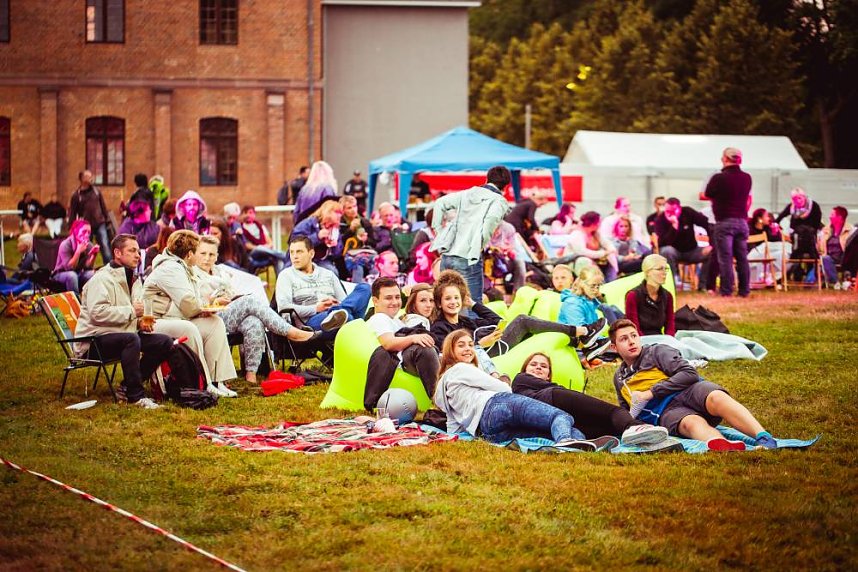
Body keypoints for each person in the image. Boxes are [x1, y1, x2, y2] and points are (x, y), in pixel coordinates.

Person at [609, 319, 778, 450]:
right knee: (691, 423)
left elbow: (689, 374)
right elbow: (626, 411)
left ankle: (763, 437)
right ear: (614, 347)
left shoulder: (657, 351)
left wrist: (651, 392)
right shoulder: (619, 378)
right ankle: (725, 445)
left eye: (634, 335)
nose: (631, 342)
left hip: (689, 390)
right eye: (624, 339)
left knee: (717, 397)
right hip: (666, 412)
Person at [434, 329, 605, 449]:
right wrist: (500, 379)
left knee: (545, 432)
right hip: (496, 405)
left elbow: (453, 428)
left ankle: (580, 442)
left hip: (486, 431)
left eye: (471, 345)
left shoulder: (443, 385)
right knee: (560, 415)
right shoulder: (462, 369)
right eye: (461, 345)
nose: (468, 349)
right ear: (450, 350)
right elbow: (503, 388)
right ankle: (566, 441)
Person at [193, 235, 319, 383]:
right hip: (209, 319)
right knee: (249, 301)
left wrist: (231, 298)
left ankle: (251, 373)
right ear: (195, 254)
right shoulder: (193, 274)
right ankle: (292, 332)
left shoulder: (221, 273)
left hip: (229, 312)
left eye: (211, 254)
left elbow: (231, 293)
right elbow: (193, 303)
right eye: (203, 253)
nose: (207, 258)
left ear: (216, 256)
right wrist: (214, 301)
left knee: (253, 321)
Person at [73, 234, 173, 409]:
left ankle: (127, 386)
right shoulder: (101, 279)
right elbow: (98, 314)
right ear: (117, 253)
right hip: (92, 343)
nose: (137, 255)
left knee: (164, 341)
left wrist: (139, 322)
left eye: (138, 251)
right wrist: (132, 312)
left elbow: (130, 314)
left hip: (120, 335)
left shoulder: (133, 279)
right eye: (132, 251)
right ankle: (136, 397)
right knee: (131, 339)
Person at [430, 269, 609, 362]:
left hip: (493, 347)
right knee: (523, 320)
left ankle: (581, 342)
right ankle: (582, 332)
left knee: (534, 333)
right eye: (448, 299)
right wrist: (479, 344)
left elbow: (497, 321)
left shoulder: (465, 320)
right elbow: (445, 354)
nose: (453, 302)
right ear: (439, 303)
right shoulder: (439, 326)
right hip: (484, 355)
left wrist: (474, 304)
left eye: (456, 298)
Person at [143, 230, 238, 398]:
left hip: (174, 318)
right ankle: (202, 382)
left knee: (215, 323)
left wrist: (206, 308)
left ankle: (218, 381)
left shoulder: (183, 266)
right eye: (197, 252)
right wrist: (206, 307)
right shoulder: (171, 268)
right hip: (154, 321)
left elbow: (191, 303)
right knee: (189, 328)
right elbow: (188, 303)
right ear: (189, 254)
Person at [513, 352, 670, 446]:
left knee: (606, 428)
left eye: (543, 366)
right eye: (533, 364)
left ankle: (641, 435)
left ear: (548, 375)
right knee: (613, 411)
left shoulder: (544, 386)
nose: (538, 367)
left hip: (560, 416)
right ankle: (634, 426)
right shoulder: (520, 379)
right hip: (556, 400)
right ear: (525, 369)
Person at [431, 166, 511, 305]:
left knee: (446, 303)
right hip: (468, 256)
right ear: (506, 186)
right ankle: (471, 328)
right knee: (472, 305)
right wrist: (480, 244)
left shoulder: (468, 193)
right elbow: (490, 221)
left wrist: (439, 231)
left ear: (487, 179)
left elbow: (439, 203)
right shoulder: (499, 200)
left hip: (448, 255)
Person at [275, 236, 371, 337]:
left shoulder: (328, 274)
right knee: (349, 319)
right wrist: (316, 308)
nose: (294, 256)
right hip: (311, 322)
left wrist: (337, 304)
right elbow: (283, 307)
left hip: (338, 313)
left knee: (365, 288)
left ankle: (337, 314)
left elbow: (344, 300)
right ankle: (344, 318)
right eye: (292, 252)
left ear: (311, 253)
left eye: (299, 252)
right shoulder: (286, 276)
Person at [366, 277, 440, 402]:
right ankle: (438, 400)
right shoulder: (379, 318)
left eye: (397, 297)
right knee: (425, 350)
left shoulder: (394, 320)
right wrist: (414, 338)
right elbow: (388, 344)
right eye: (388, 298)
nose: (395, 302)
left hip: (408, 359)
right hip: (398, 363)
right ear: (375, 301)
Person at [701, 147, 752, 297]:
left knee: (725, 258)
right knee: (742, 258)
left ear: (724, 158)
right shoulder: (747, 177)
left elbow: (708, 193)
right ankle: (744, 290)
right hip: (742, 221)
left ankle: (726, 290)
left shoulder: (718, 178)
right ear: (739, 160)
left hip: (724, 222)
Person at [558, 266, 623, 359]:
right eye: (592, 286)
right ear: (581, 283)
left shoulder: (590, 301)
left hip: (588, 344)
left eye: (598, 286)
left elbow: (593, 334)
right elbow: (583, 335)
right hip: (574, 348)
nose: (596, 290)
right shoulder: (572, 303)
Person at [654, 197, 715, 290]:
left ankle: (703, 286)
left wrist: (711, 244)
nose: (670, 214)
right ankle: (671, 287)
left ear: (679, 208)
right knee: (666, 251)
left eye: (673, 211)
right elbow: (662, 243)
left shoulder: (687, 212)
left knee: (713, 252)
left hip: (692, 251)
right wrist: (674, 226)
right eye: (668, 211)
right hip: (673, 252)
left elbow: (707, 224)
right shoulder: (660, 220)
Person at [624, 254, 675, 336]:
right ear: (648, 272)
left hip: (661, 339)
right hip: (640, 341)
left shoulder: (668, 296)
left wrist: (669, 341)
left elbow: (670, 326)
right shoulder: (633, 296)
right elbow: (634, 328)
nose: (664, 273)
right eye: (660, 269)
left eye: (666, 269)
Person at [69, 170, 113, 263]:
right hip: (86, 227)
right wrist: (71, 228)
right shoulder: (77, 195)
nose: (91, 178)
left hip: (100, 223)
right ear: (82, 179)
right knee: (86, 248)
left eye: (91, 176)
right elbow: (72, 213)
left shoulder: (96, 191)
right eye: (88, 176)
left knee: (105, 245)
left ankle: (109, 266)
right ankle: (86, 267)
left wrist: (107, 220)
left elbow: (103, 206)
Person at [290, 200, 343, 274]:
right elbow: (295, 242)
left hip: (322, 261)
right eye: (337, 212)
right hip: (302, 260)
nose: (339, 215)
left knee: (332, 272)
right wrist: (317, 237)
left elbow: (337, 255)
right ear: (328, 212)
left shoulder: (335, 230)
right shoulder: (308, 223)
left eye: (340, 213)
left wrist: (335, 245)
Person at [565, 211, 618, 282]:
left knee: (611, 256)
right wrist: (603, 253)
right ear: (593, 223)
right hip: (577, 262)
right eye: (599, 222)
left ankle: (612, 280)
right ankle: (597, 282)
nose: (600, 224)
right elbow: (582, 252)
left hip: (595, 260)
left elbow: (607, 243)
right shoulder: (577, 234)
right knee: (585, 261)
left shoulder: (596, 234)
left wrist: (611, 250)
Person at [238, 205, 290, 274]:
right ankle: (284, 255)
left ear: (254, 214)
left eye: (250, 213)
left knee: (277, 259)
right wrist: (261, 247)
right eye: (245, 213)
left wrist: (265, 247)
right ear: (242, 215)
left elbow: (270, 243)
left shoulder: (260, 227)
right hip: (252, 254)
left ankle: (280, 282)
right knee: (259, 248)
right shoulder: (240, 228)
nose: (248, 215)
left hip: (265, 253)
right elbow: (247, 245)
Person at [54, 219, 99, 294]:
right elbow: (69, 268)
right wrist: (78, 252)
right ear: (75, 231)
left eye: (89, 232)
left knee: (91, 274)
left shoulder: (88, 245)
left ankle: (89, 300)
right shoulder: (65, 244)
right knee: (72, 276)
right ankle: (76, 302)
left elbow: (88, 267)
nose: (87, 235)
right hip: (61, 274)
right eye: (84, 231)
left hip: (78, 273)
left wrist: (93, 255)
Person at [747, 208, 788, 286]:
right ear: (760, 219)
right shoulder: (749, 228)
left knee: (781, 254)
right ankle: (763, 279)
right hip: (752, 255)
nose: (769, 218)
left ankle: (773, 278)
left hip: (765, 254)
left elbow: (777, 241)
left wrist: (776, 232)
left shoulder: (767, 228)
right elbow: (749, 246)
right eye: (766, 216)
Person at [820, 206, 852, 288]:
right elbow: (820, 246)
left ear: (840, 217)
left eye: (832, 214)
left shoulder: (850, 230)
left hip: (844, 257)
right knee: (825, 258)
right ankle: (836, 282)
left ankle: (847, 280)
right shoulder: (826, 230)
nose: (830, 216)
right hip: (829, 257)